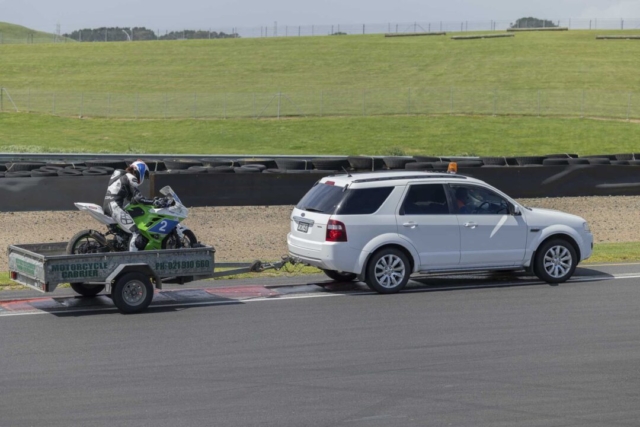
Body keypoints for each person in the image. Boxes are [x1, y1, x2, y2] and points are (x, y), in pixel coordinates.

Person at [103, 160, 155, 251]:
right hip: (115, 208)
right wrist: (154, 202)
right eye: (145, 174)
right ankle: (132, 259)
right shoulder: (131, 177)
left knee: (125, 232)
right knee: (136, 232)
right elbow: (139, 198)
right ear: (140, 170)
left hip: (108, 205)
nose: (145, 177)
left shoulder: (121, 175)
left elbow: (133, 200)